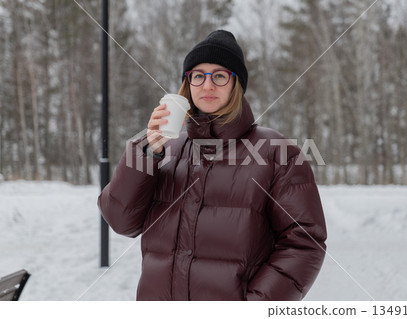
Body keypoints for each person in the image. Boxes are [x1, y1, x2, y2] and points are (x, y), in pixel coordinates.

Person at [98, 30, 327, 301]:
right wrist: (146, 151)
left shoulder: (279, 153)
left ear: (236, 84)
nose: (207, 86)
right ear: (187, 84)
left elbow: (304, 244)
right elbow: (121, 221)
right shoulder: (165, 151)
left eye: (219, 76)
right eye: (198, 75)